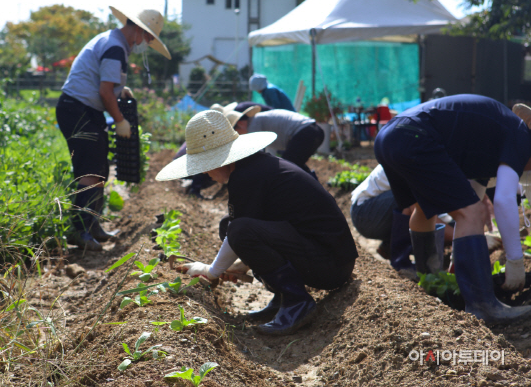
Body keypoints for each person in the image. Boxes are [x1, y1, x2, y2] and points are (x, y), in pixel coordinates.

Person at [156, 110, 358, 335]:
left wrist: (212, 271)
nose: (204, 172)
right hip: (328, 257)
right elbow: (252, 226)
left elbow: (242, 231)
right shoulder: (255, 167)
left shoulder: (247, 176)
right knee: (229, 225)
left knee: (238, 230)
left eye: (204, 164)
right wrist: (242, 263)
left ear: (220, 158)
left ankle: (296, 301)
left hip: (331, 265)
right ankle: (281, 295)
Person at [374, 94, 531, 324]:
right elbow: (503, 200)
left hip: (389, 137)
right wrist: (515, 262)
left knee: (424, 209)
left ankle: (432, 284)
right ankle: (484, 307)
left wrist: (458, 264)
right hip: (415, 136)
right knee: (472, 211)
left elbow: (467, 210)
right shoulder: (521, 137)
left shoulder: (493, 142)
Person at [56, 6, 171, 251]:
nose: (147, 44)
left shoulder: (113, 41)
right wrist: (119, 120)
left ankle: (92, 226)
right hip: (78, 109)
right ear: (139, 30)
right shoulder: (116, 47)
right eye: (149, 38)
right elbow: (105, 92)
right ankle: (80, 231)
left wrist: (121, 90)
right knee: (89, 171)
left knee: (99, 171)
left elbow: (108, 84)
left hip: (84, 109)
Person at [224, 106, 324, 178]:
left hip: (305, 132)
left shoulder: (253, 125)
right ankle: (313, 184)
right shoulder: (258, 121)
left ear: (240, 124)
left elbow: (256, 154)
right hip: (313, 131)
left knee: (288, 169)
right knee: (294, 165)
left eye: (236, 133)